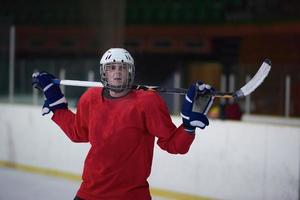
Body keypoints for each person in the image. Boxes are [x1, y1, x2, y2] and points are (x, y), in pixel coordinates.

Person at [32, 48, 215, 200]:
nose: (117, 72)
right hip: (90, 194)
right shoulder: (90, 98)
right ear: (104, 72)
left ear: (131, 72)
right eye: (112, 67)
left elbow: (174, 144)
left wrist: (188, 128)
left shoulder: (148, 102)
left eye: (123, 67)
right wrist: (58, 106)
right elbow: (78, 132)